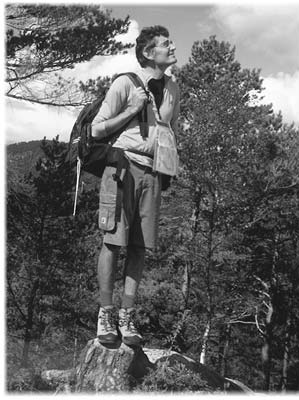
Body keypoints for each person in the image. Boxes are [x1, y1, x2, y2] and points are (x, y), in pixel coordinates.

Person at [91, 25, 180, 346]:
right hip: (122, 168)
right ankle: (106, 314)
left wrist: (169, 167)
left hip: (153, 174)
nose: (172, 48)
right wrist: (131, 109)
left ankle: (127, 318)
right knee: (113, 243)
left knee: (141, 247)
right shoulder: (124, 84)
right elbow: (97, 130)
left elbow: (169, 129)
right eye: (165, 44)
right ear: (147, 52)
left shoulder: (173, 89)